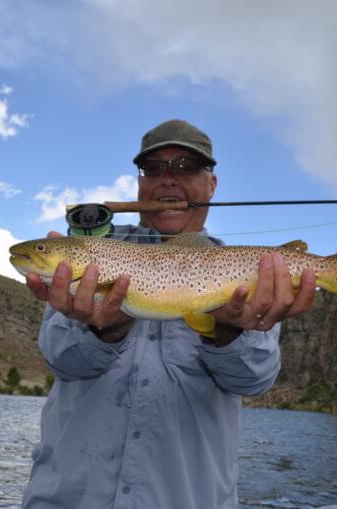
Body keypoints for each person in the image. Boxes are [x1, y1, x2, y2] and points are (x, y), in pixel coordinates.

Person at [21, 119, 316, 509]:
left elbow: (254, 380)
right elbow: (62, 360)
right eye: (154, 169)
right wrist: (102, 330)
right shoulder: (93, 257)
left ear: (211, 185)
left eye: (186, 168)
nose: (168, 180)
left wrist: (226, 330)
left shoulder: (242, 272)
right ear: (140, 184)